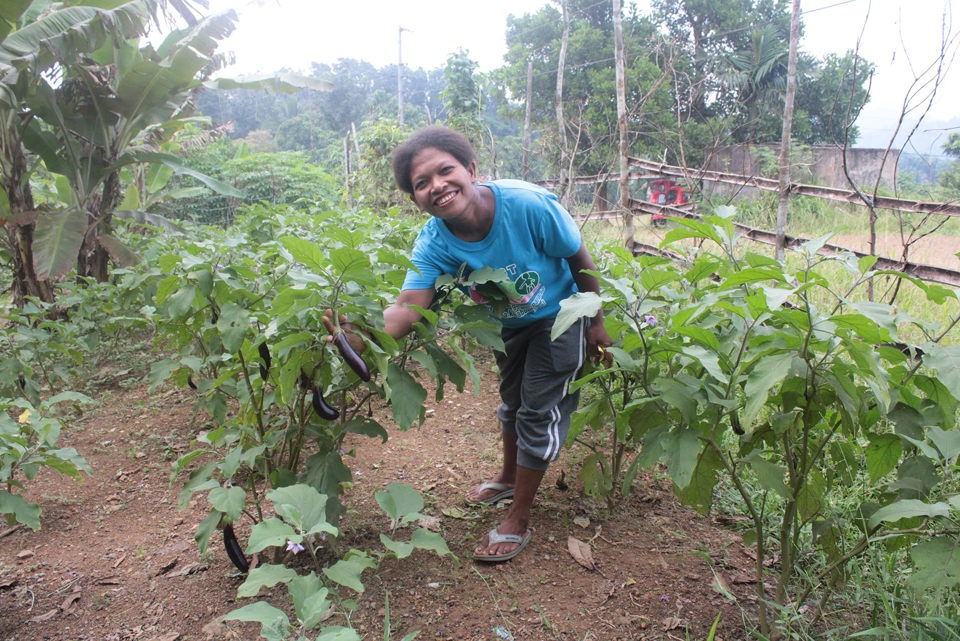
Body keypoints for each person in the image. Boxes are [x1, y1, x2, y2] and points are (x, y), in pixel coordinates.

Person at [332, 125, 611, 562]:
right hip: (510, 325)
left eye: (445, 171)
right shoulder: (433, 242)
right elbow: (408, 307)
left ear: (471, 169)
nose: (437, 186)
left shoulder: (527, 205)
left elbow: (579, 258)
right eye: (422, 183)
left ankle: (518, 519)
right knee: (511, 404)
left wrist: (596, 321)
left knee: (538, 411)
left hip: (562, 318)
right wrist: (354, 336)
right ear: (415, 198)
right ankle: (505, 478)